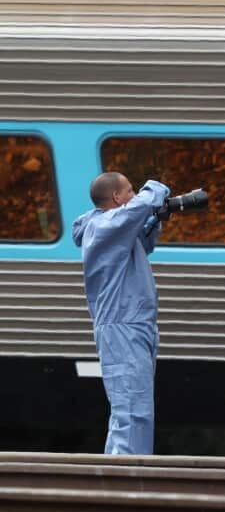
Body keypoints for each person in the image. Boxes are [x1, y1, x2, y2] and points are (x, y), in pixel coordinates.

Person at [71, 172, 170, 455]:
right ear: (117, 197)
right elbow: (142, 205)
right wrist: (156, 188)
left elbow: (143, 244)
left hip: (135, 322)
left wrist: (155, 220)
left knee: (134, 406)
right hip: (122, 324)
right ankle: (125, 474)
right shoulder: (103, 225)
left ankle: (122, 470)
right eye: (130, 190)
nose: (134, 195)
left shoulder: (114, 228)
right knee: (131, 407)